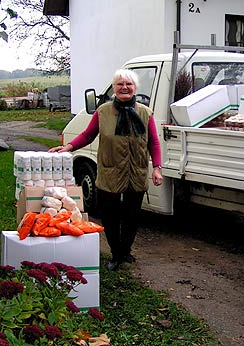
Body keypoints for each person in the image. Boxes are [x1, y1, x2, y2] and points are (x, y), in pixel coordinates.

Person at [49, 68, 163, 271]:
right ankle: (115, 253)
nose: (124, 87)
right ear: (114, 88)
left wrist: (157, 168)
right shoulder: (103, 112)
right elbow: (87, 135)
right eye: (120, 84)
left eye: (128, 84)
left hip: (136, 172)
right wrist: (67, 147)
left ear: (135, 88)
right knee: (110, 215)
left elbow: (153, 142)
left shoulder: (145, 113)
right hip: (110, 171)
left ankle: (125, 251)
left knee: (131, 215)